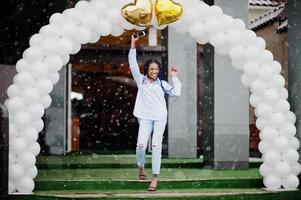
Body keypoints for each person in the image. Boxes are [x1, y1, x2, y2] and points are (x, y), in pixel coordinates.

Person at [128, 34, 182, 191]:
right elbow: (132, 65)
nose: (154, 71)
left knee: (156, 145)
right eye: (151, 69)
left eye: (156, 69)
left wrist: (174, 77)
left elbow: (176, 93)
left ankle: (155, 178)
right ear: (147, 70)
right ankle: (141, 167)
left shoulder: (163, 84)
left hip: (160, 118)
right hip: (145, 118)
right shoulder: (141, 80)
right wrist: (133, 44)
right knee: (140, 145)